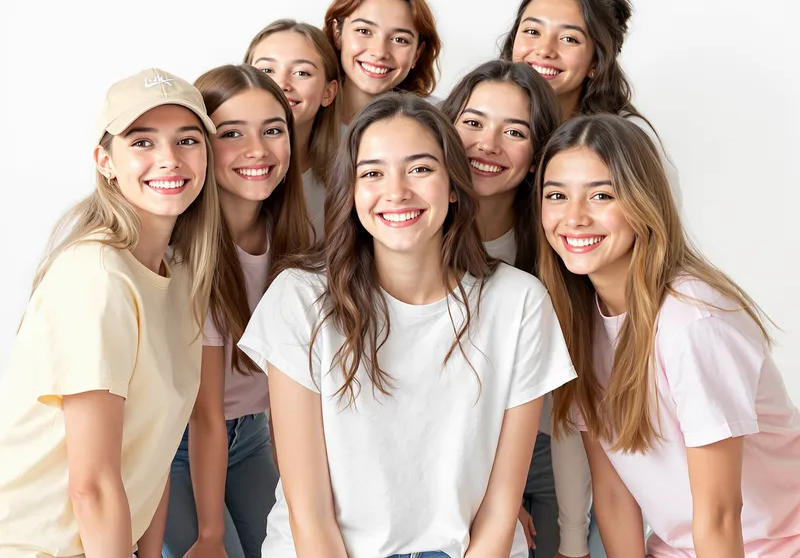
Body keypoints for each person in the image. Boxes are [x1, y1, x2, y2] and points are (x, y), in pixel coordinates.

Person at [239, 93, 576, 558]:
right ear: (351, 192)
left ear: (455, 185)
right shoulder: (299, 298)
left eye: (420, 169)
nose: (396, 192)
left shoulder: (517, 302)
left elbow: (500, 510)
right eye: (373, 173)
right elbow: (309, 511)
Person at [537, 114, 800, 558]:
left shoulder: (693, 321)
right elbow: (614, 492)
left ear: (644, 203)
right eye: (557, 196)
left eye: (602, 195)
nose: (574, 217)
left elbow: (720, 515)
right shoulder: (577, 321)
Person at [0, 68, 220, 557]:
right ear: (106, 161)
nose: (169, 159)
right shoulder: (97, 278)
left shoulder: (180, 275)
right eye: (142, 142)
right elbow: (93, 487)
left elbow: (153, 452)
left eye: (187, 140)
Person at [442, 60, 590, 558]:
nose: (488, 144)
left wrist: (573, 540)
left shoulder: (561, 246)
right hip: (455, 461)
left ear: (537, 158)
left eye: (514, 131)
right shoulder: (410, 234)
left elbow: (572, 405)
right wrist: (490, 499)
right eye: (473, 122)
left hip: (553, 450)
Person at [163, 65, 312, 557]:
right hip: (179, 445)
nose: (258, 151)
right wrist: (208, 535)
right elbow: (206, 414)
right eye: (232, 134)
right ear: (201, 147)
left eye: (273, 130)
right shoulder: (186, 256)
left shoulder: (292, 240)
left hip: (252, 434)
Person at [500, 0, 680, 204]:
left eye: (569, 38)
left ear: (596, 62)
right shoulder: (479, 114)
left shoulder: (630, 139)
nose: (545, 50)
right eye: (533, 31)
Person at [245, 19, 340, 239]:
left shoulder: (346, 177)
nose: (281, 84)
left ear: (328, 92)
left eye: (302, 73)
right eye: (267, 70)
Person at [322, 0, 442, 125]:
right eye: (364, 31)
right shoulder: (302, 108)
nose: (379, 52)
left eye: (399, 39)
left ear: (417, 53)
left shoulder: (440, 120)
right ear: (337, 33)